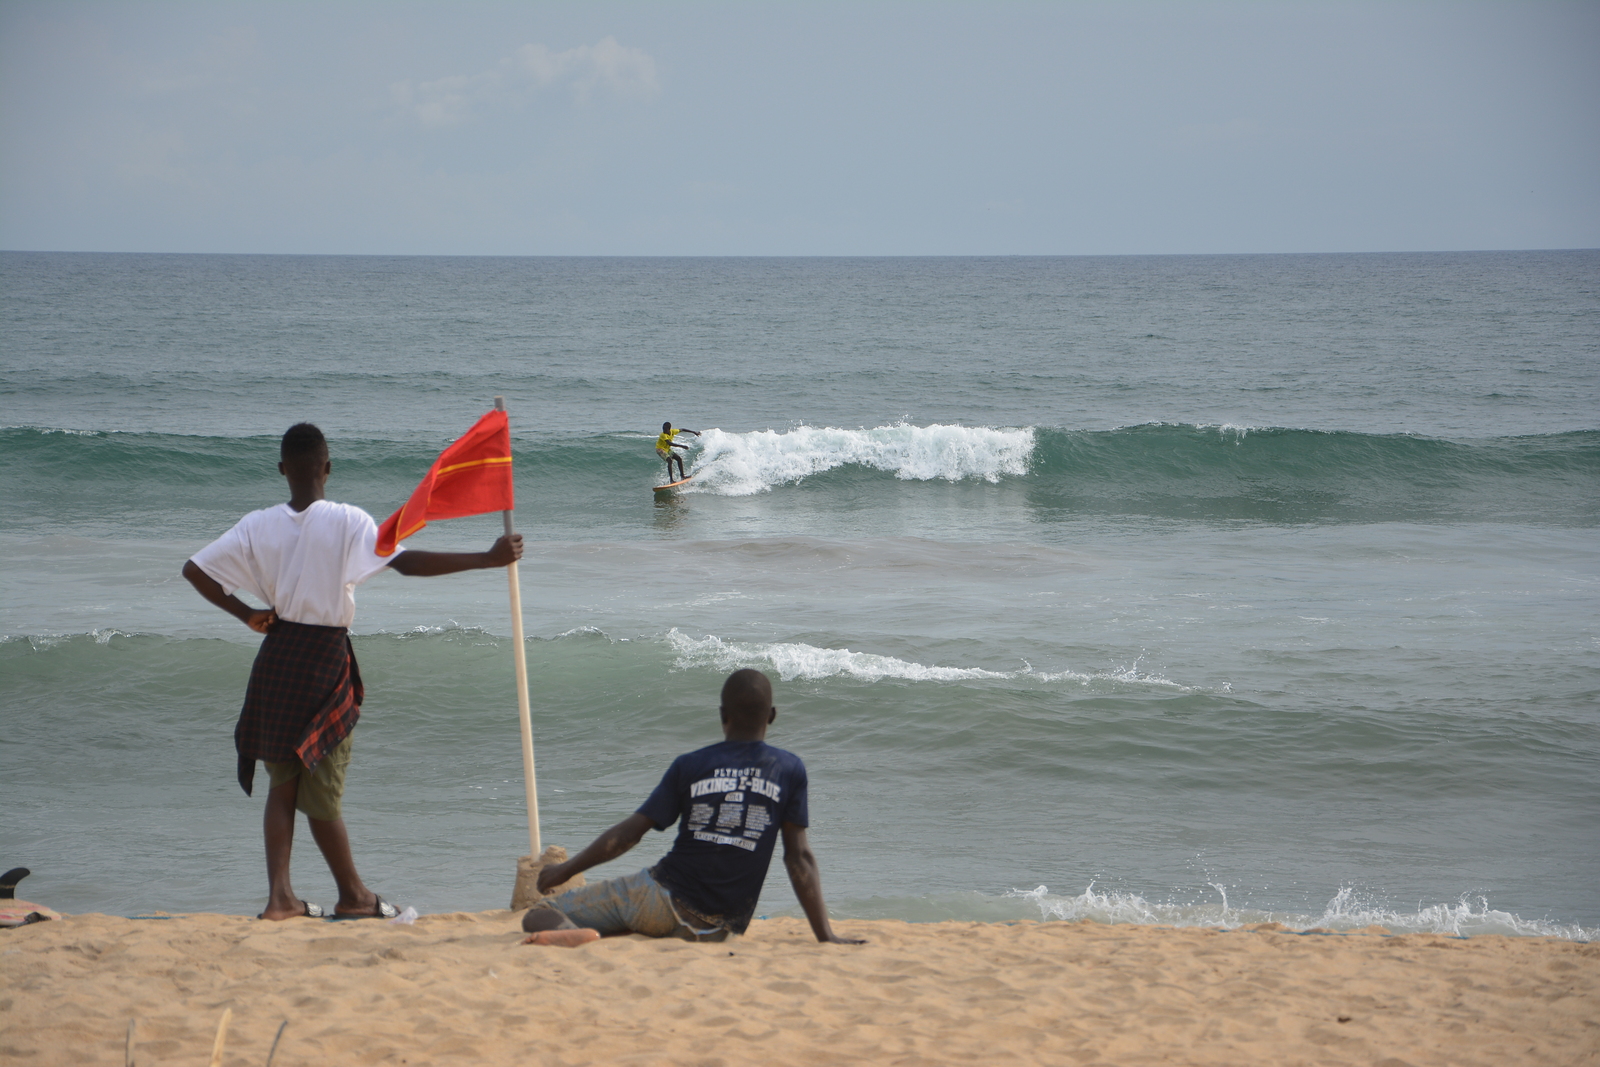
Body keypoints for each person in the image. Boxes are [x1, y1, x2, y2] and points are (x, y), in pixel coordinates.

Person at [182, 422, 523, 921]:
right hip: (323, 661)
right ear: (328, 468)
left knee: (283, 784)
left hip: (278, 658)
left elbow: (195, 570)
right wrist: (487, 559)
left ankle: (281, 899)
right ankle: (355, 897)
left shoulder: (257, 524)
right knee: (324, 784)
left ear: (282, 470)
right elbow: (405, 564)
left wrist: (247, 614)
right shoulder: (346, 520)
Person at [522, 669, 863, 945]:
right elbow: (798, 857)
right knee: (636, 920)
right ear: (771, 716)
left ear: (722, 715)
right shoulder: (789, 770)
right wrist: (825, 935)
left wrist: (564, 871)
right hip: (718, 926)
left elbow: (630, 833)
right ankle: (613, 930)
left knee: (540, 913)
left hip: (660, 899)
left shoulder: (691, 765)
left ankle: (585, 936)